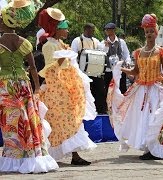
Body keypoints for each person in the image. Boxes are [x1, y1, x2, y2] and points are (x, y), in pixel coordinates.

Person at [108, 14, 163, 160]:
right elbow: (135, 72)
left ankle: (155, 148)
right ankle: (147, 147)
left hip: (156, 89)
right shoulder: (138, 52)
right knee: (142, 118)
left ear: (156, 33)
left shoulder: (162, 51)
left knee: (155, 118)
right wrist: (120, 69)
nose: (149, 34)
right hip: (141, 90)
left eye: (151, 31)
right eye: (147, 32)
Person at [0, 1, 58, 173]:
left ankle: (14, 159)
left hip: (5, 86)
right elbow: (33, 68)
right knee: (29, 120)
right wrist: (37, 88)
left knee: (11, 123)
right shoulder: (24, 43)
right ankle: (32, 154)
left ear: (4, 22)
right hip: (23, 85)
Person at [38, 8, 96, 165]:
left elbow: (66, 65)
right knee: (61, 121)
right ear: (57, 28)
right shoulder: (49, 46)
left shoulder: (62, 44)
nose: (67, 30)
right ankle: (69, 155)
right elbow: (50, 70)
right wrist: (62, 59)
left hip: (66, 88)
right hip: (56, 90)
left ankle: (74, 155)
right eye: (64, 26)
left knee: (69, 120)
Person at [71, 23, 104, 114]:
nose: (92, 32)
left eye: (93, 30)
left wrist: (106, 45)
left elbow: (103, 51)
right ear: (85, 30)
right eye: (91, 30)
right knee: (84, 94)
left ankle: (100, 111)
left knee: (99, 91)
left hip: (95, 73)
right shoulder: (77, 41)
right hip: (82, 74)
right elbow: (73, 57)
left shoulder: (96, 41)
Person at [102, 22, 131, 113]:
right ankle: (109, 108)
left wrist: (128, 62)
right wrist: (106, 47)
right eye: (106, 30)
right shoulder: (102, 42)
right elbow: (102, 54)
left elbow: (126, 54)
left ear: (113, 30)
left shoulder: (121, 42)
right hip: (108, 70)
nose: (107, 31)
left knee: (122, 89)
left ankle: (122, 109)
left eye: (109, 29)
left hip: (120, 70)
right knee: (108, 90)